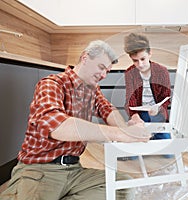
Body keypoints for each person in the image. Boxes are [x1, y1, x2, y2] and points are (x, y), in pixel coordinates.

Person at [0, 40, 151, 200]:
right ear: (85, 58)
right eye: (101, 67)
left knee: (122, 186)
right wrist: (119, 134)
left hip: (74, 170)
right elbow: (58, 126)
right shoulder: (52, 84)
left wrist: (125, 127)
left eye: (107, 71)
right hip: (40, 170)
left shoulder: (92, 89)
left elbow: (107, 109)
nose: (104, 75)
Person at [122, 33, 172, 160]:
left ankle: (152, 138)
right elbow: (130, 99)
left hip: (158, 115)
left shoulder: (162, 71)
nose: (139, 64)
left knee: (169, 152)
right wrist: (134, 116)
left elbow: (166, 97)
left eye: (143, 59)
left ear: (150, 54)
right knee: (133, 156)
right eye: (135, 60)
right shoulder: (130, 73)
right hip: (140, 114)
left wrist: (159, 109)